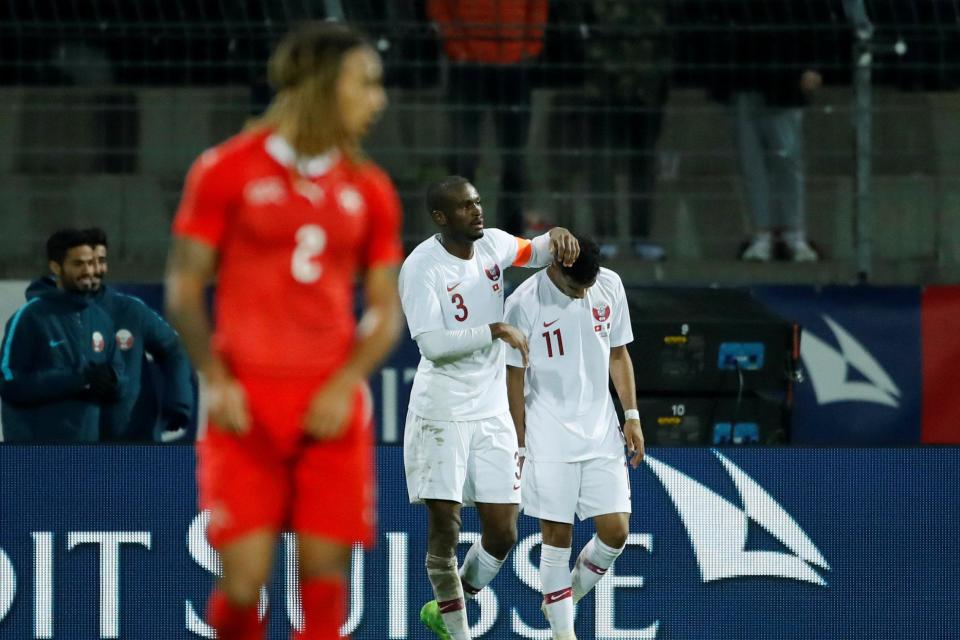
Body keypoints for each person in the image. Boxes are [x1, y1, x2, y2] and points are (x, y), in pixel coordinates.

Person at [165, 22, 403, 639]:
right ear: (324, 84)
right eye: (366, 83)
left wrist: (344, 381)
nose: (377, 99)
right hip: (245, 402)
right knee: (242, 588)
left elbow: (385, 308)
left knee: (325, 588)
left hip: (329, 404)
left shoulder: (370, 190)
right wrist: (215, 380)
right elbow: (184, 290)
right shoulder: (225, 171)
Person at [400, 175, 578, 640]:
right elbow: (434, 345)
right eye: (464, 207)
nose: (477, 212)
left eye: (477, 202)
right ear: (441, 218)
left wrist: (556, 236)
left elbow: (536, 251)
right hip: (442, 410)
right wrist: (495, 330)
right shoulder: (422, 268)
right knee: (447, 524)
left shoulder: (494, 245)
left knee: (502, 533)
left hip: (492, 407)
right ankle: (459, 634)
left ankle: (448, 606)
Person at [503, 236, 644, 640]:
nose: (583, 293)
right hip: (548, 432)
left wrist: (631, 414)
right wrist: (520, 440)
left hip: (601, 430)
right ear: (556, 268)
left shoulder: (610, 285)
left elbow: (619, 353)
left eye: (588, 285)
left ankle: (560, 601)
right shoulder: (523, 302)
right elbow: (513, 377)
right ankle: (564, 634)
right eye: (575, 287)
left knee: (616, 532)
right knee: (556, 538)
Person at [699, 0, 822, 262]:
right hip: (742, 77)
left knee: (788, 162)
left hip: (784, 77)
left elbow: (811, 14)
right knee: (752, 164)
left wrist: (812, 64)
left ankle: (794, 234)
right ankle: (762, 235)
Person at [426, 0, 548, 236]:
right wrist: (456, 47)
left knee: (514, 156)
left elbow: (538, 8)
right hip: (469, 63)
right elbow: (439, 7)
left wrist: (529, 47)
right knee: (464, 155)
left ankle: (511, 235)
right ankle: (459, 231)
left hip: (510, 62)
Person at [0, 229, 123, 443]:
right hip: (36, 455)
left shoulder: (101, 319)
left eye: (92, 263)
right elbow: (9, 384)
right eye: (78, 264)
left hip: (89, 454)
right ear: (56, 267)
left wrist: (112, 381)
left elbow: (120, 374)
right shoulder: (30, 317)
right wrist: (79, 380)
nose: (89, 271)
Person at [81, 227, 195, 442]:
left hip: (136, 440)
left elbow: (173, 349)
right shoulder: (45, 318)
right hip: (71, 447)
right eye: (83, 262)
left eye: (100, 260)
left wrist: (178, 401)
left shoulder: (130, 311)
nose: (93, 269)